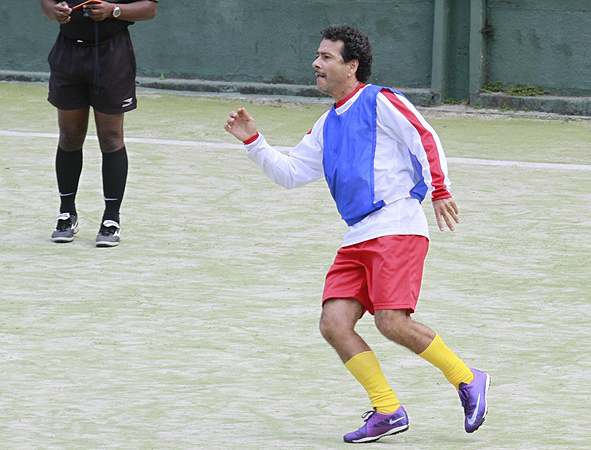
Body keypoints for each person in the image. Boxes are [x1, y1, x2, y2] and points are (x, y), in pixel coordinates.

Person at [224, 25, 490, 443]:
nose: (316, 63)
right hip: (358, 236)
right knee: (334, 322)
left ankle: (468, 378)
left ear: (351, 66)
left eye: (326, 57)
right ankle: (387, 409)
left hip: (397, 227)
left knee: (391, 322)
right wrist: (254, 142)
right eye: (317, 55)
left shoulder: (380, 100)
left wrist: (440, 189)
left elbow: (424, 136)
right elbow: (293, 173)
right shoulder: (326, 124)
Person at [40, 0, 158, 247]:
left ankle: (111, 219)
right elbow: (47, 3)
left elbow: (150, 8)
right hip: (68, 53)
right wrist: (55, 12)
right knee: (70, 136)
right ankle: (66, 214)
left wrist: (114, 10)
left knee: (111, 137)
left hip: (112, 54)